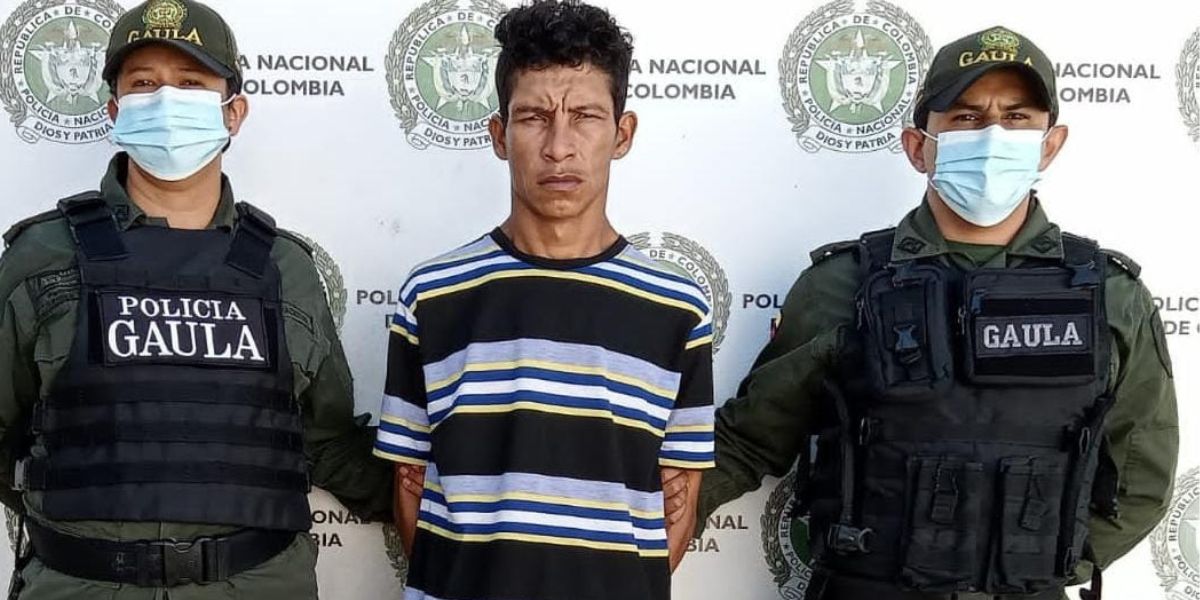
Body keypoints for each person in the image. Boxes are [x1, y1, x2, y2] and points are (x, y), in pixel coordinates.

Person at [693, 26, 1178, 600]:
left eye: (1017, 118)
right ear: (918, 145)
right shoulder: (842, 283)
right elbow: (749, 441)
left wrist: (1026, 565)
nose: (993, 136)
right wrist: (641, 521)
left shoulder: (1111, 295)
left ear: (1050, 144)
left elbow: (1140, 479)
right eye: (967, 117)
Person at [0, 1, 392, 597]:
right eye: (143, 84)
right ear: (114, 110)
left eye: (190, 83)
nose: (165, 101)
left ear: (233, 111)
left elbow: (326, 440)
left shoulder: (285, 268)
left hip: (255, 585)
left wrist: (443, 490)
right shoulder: (43, 255)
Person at [372, 2, 714, 598]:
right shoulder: (433, 295)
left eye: (585, 116)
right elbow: (410, 485)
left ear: (622, 134)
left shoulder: (677, 307)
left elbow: (676, 503)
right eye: (534, 117)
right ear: (499, 136)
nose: (559, 146)